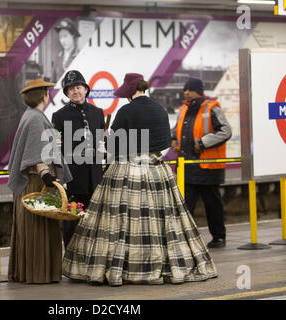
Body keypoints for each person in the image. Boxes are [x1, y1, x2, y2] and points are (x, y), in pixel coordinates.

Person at [62, 73, 218, 286]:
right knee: (164, 220)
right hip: (156, 169)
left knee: (121, 221)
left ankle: (122, 267)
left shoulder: (125, 111)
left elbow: (113, 146)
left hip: (126, 170)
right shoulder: (160, 110)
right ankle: (163, 264)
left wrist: (108, 145)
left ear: (129, 92)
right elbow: (164, 141)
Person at [7, 78, 73, 284]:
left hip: (29, 184)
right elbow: (37, 155)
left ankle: (27, 272)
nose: (48, 95)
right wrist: (46, 174)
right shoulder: (36, 118)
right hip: (37, 183)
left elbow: (36, 146)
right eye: (46, 91)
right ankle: (40, 274)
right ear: (42, 96)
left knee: (31, 228)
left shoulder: (30, 116)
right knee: (39, 229)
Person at [170, 77, 232, 249]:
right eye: (185, 90)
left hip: (207, 166)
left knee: (212, 204)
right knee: (184, 205)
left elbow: (226, 131)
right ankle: (184, 239)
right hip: (187, 167)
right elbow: (176, 130)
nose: (186, 92)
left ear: (198, 90)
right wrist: (173, 139)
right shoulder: (183, 109)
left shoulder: (211, 107)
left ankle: (219, 237)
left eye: (189, 89)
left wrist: (203, 142)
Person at [51, 70, 105, 248]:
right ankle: (71, 260)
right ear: (66, 94)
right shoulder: (59, 116)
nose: (76, 91)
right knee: (72, 222)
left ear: (86, 89)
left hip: (95, 177)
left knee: (96, 223)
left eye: (79, 87)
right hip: (73, 178)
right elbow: (54, 149)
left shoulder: (98, 113)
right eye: (71, 89)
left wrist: (104, 149)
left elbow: (103, 141)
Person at [52, 18, 80, 82]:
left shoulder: (79, 56)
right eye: (60, 37)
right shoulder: (58, 57)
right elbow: (52, 82)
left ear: (73, 35)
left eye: (65, 36)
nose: (62, 41)